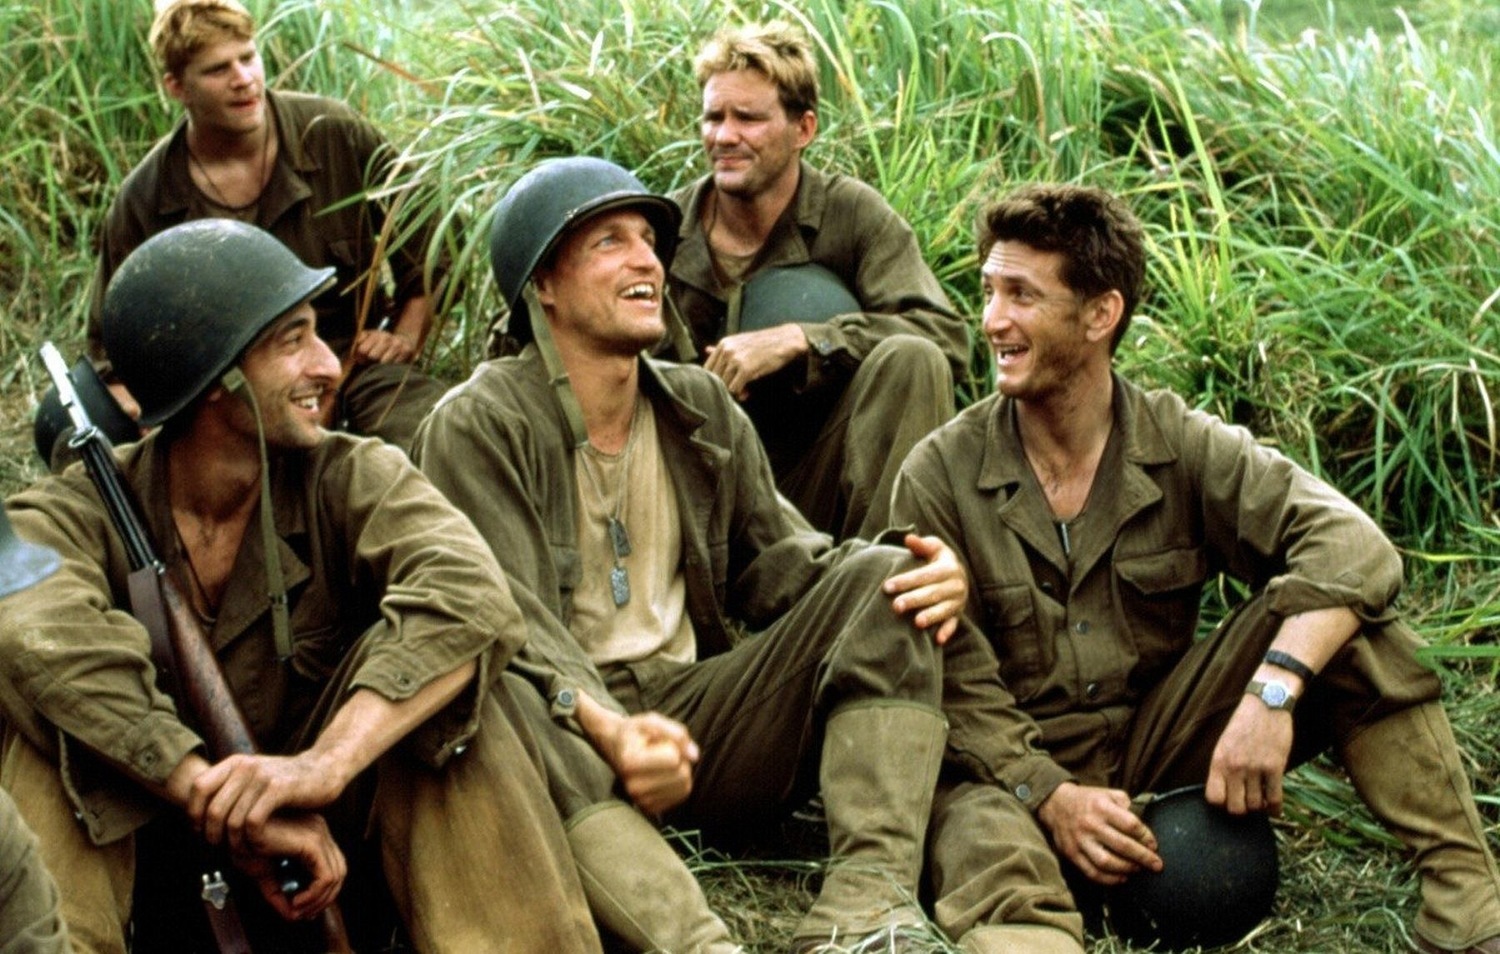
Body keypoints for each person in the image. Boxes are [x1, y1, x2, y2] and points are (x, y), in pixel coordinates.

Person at [411, 156, 1083, 954]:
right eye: (609, 242)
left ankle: (867, 906)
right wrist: (606, 728)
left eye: (649, 241)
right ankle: (700, 944)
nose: (645, 261)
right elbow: (509, 624)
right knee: (501, 698)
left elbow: (786, 565)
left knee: (888, 580)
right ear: (543, 285)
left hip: (694, 723)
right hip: (566, 734)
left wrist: (924, 573)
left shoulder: (696, 404)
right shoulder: (478, 423)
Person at [890, 182, 1500, 952]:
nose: (991, 320)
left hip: (1153, 747)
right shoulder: (939, 474)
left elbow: (1355, 546)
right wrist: (1050, 794)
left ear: (1100, 315)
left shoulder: (1178, 442)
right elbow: (943, 674)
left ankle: (1466, 900)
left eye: (1022, 296)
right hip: (1007, 772)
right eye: (989, 291)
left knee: (1352, 624)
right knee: (984, 840)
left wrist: (1271, 694)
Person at [0, 219, 599, 954]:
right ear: (213, 379)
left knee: (452, 690)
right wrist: (209, 793)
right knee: (55, 719)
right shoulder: (74, 511)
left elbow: (470, 594)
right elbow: (33, 628)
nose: (329, 365)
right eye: (293, 342)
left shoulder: (351, 475)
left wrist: (322, 767)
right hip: (157, 883)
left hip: (331, 870)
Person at [84, 0, 447, 449]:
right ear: (177, 87)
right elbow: (110, 348)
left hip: (351, 366)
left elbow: (434, 240)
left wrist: (405, 334)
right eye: (218, 70)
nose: (244, 79)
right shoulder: (147, 197)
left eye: (248, 57)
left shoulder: (332, 131)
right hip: (225, 402)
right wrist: (144, 414)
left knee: (435, 436)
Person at [663, 20, 967, 541]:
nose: (724, 136)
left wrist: (805, 340)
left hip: (816, 482)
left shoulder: (851, 215)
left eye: (748, 118)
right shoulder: (664, 230)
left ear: (803, 130)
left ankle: (886, 573)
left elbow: (945, 337)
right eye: (713, 117)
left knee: (913, 359)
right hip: (697, 492)